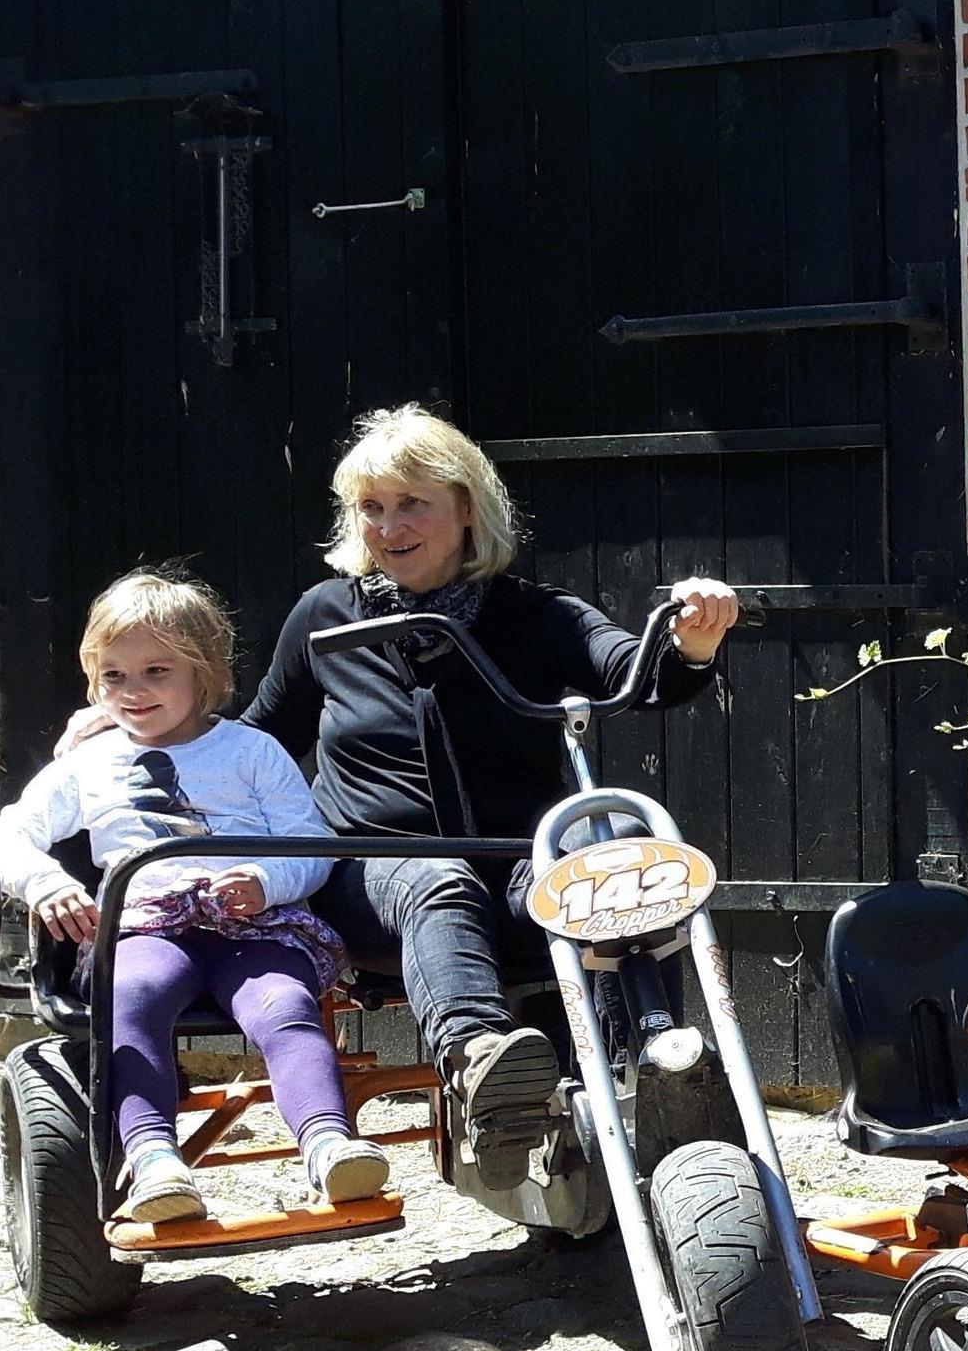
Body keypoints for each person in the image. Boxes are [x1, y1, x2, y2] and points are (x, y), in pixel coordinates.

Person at [243, 406, 739, 1188]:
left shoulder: (533, 615)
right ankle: (483, 1068)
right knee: (435, 880)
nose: (389, 527)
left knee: (612, 863)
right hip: (373, 880)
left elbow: (635, 673)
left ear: (466, 508)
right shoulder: (325, 618)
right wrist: (138, 738)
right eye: (371, 507)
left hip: (512, 871)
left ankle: (645, 1074)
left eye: (413, 504)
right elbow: (255, 743)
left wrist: (693, 641)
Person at [0, 571, 371, 1225]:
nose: (133, 692)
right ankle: (156, 1160)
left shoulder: (250, 752)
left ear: (204, 672)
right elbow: (4, 836)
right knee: (130, 998)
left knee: (284, 1005)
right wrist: (47, 882)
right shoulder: (89, 763)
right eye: (113, 676)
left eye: (156, 671)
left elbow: (311, 843)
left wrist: (267, 881)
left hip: (252, 925)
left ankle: (329, 1144)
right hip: (146, 928)